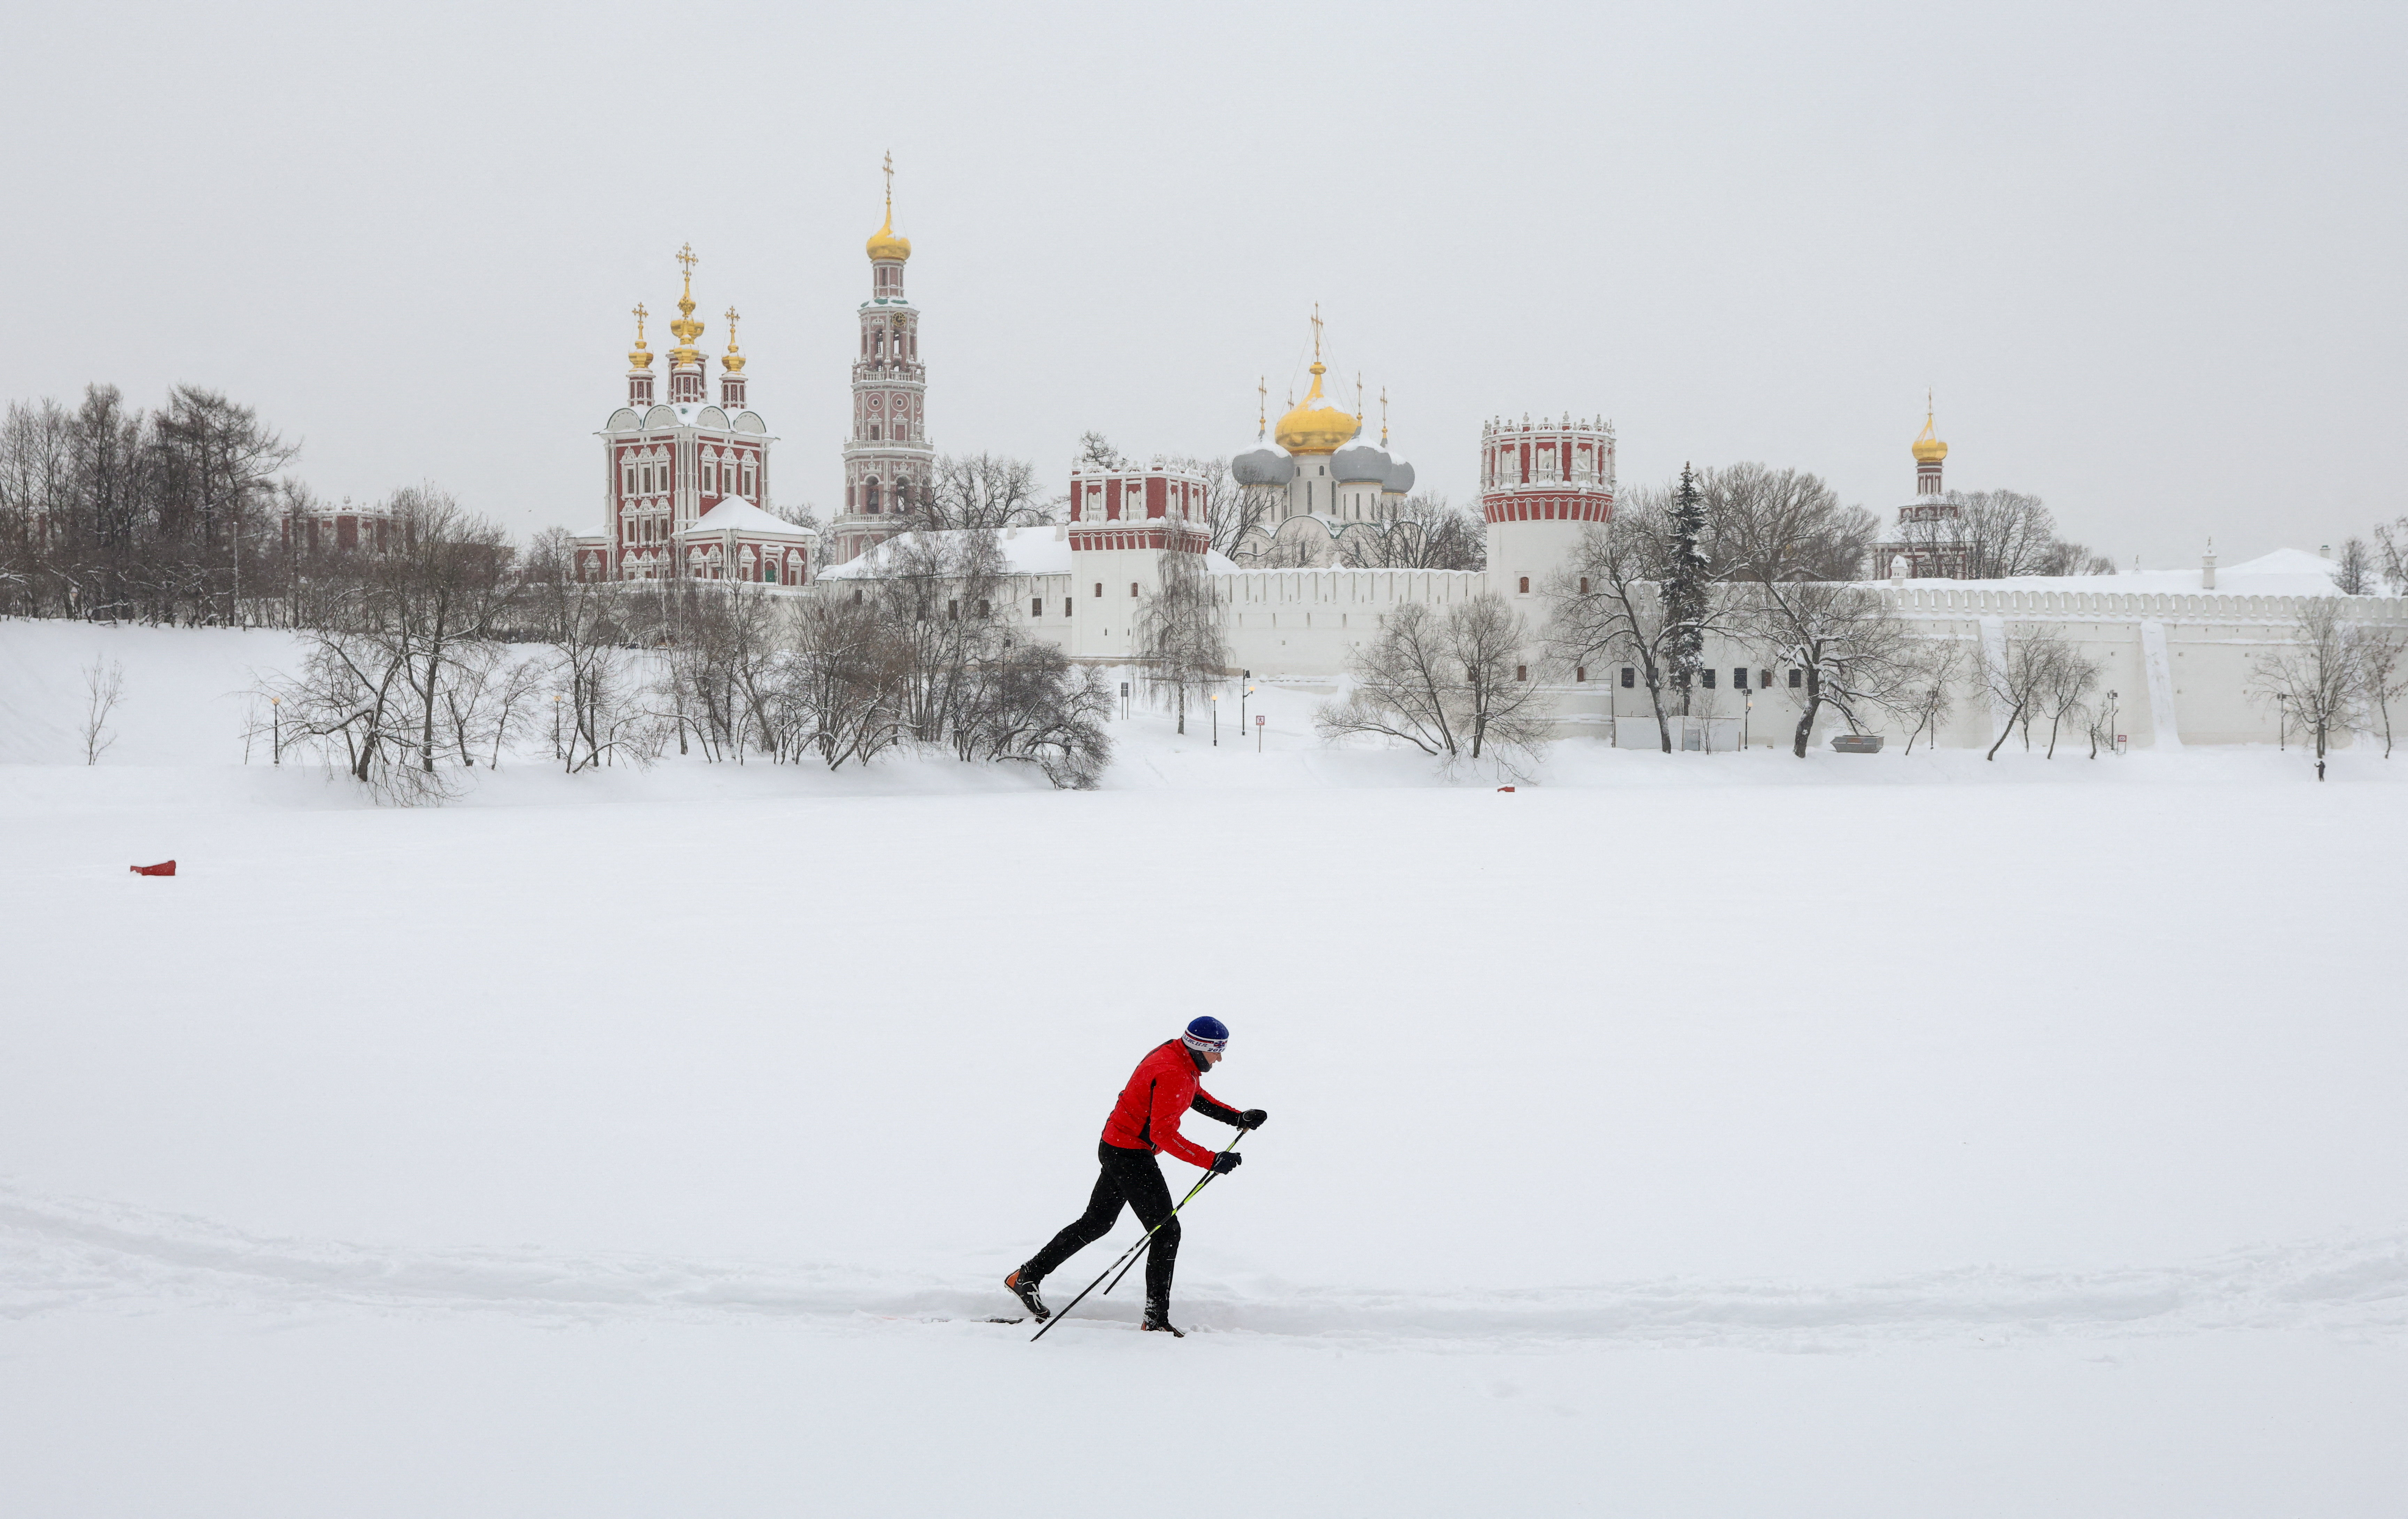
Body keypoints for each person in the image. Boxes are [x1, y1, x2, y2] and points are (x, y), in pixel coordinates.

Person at [1005, 1015, 1266, 1336]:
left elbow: (1193, 1094)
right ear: (1200, 1048)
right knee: (1166, 1231)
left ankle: (1026, 1276)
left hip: (1116, 1144)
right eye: (1217, 1051)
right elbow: (1165, 1134)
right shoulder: (1174, 1072)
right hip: (1130, 1154)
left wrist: (1235, 1117)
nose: (1220, 1058)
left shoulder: (1176, 1055)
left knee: (1097, 1222)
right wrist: (1211, 1160)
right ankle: (1155, 1319)